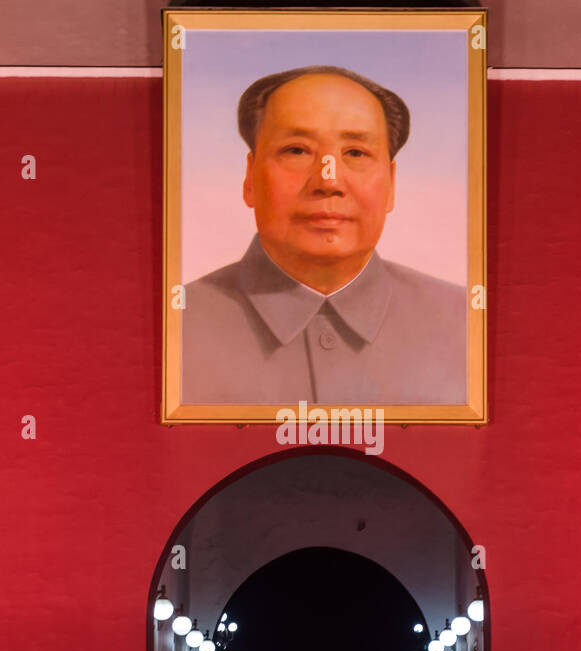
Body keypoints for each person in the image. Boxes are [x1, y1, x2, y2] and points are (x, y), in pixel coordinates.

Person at [181, 65, 467, 406]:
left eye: (356, 153)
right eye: (297, 151)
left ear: (391, 185)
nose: (328, 182)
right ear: (249, 178)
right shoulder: (177, 327)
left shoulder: (465, 325)